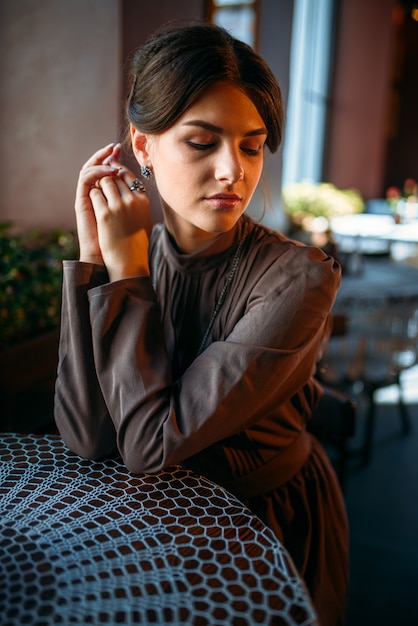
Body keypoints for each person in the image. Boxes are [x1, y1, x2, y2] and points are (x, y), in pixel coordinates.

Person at [54, 21, 348, 625]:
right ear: (143, 147)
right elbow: (86, 435)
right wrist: (90, 260)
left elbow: (147, 446)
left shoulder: (299, 278)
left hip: (264, 531)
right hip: (149, 533)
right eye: (201, 142)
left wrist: (127, 270)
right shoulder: (134, 253)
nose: (232, 171)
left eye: (250, 145)